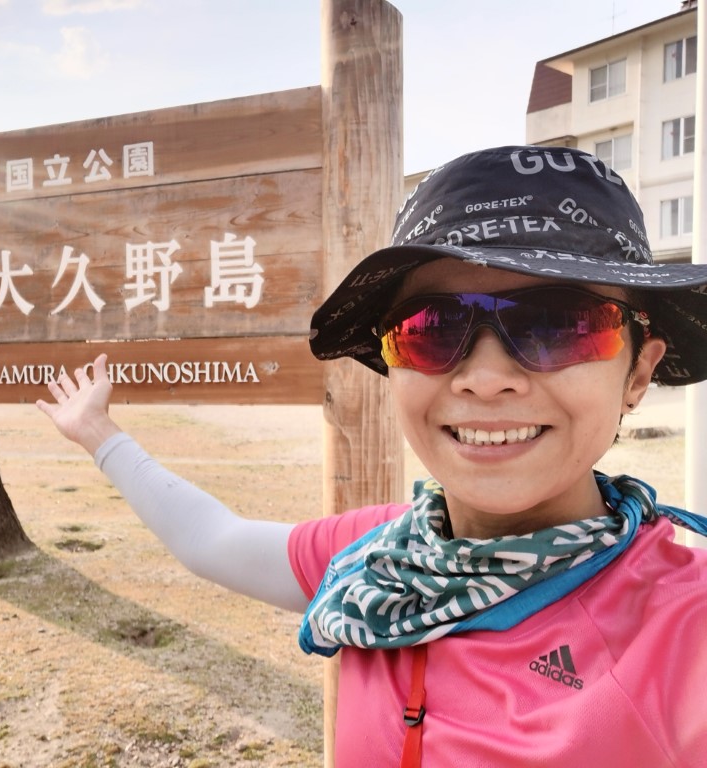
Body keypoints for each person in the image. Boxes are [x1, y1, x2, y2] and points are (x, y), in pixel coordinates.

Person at [37, 145, 707, 766]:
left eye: (560, 324)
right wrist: (98, 434)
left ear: (638, 373)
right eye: (431, 328)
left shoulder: (683, 624)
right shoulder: (377, 556)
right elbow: (214, 541)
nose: (483, 377)